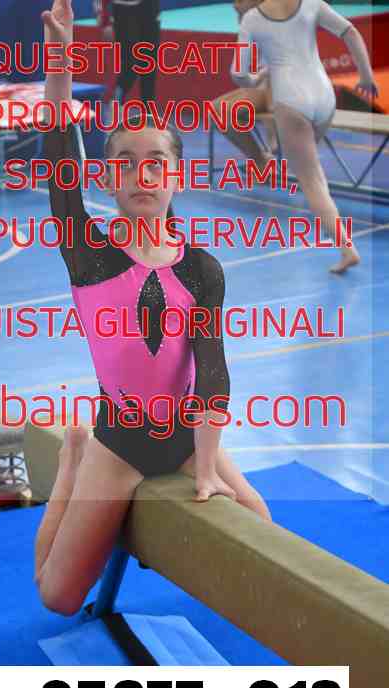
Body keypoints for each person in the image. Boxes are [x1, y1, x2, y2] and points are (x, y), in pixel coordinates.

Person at [35, 0, 271, 617]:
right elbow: (60, 157)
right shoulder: (89, 254)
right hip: (119, 442)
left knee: (261, 523)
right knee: (58, 596)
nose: (142, 175)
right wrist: (61, 61)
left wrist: (206, 468)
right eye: (126, 163)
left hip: (187, 437)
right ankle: (72, 458)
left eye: (156, 163)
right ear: (108, 178)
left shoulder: (202, 270)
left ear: (176, 176)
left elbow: (212, 371)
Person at [230, 0, 379, 274]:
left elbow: (238, 73)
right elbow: (351, 33)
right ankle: (344, 243)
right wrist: (366, 76)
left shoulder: (252, 18)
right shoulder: (312, 3)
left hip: (291, 101)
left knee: (311, 183)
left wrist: (254, 80)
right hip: (324, 97)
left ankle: (347, 250)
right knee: (314, 174)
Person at [214, 0, 277, 171]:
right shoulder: (252, 23)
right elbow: (242, 73)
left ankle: (269, 151)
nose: (234, 5)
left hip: (288, 86)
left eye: (240, 1)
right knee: (216, 110)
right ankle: (260, 159)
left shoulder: (279, 19)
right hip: (265, 84)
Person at [94, 0, 161, 104]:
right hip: (124, 10)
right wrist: (105, 22)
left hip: (150, 8)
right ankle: (115, 103)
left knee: (149, 66)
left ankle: (148, 111)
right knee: (130, 67)